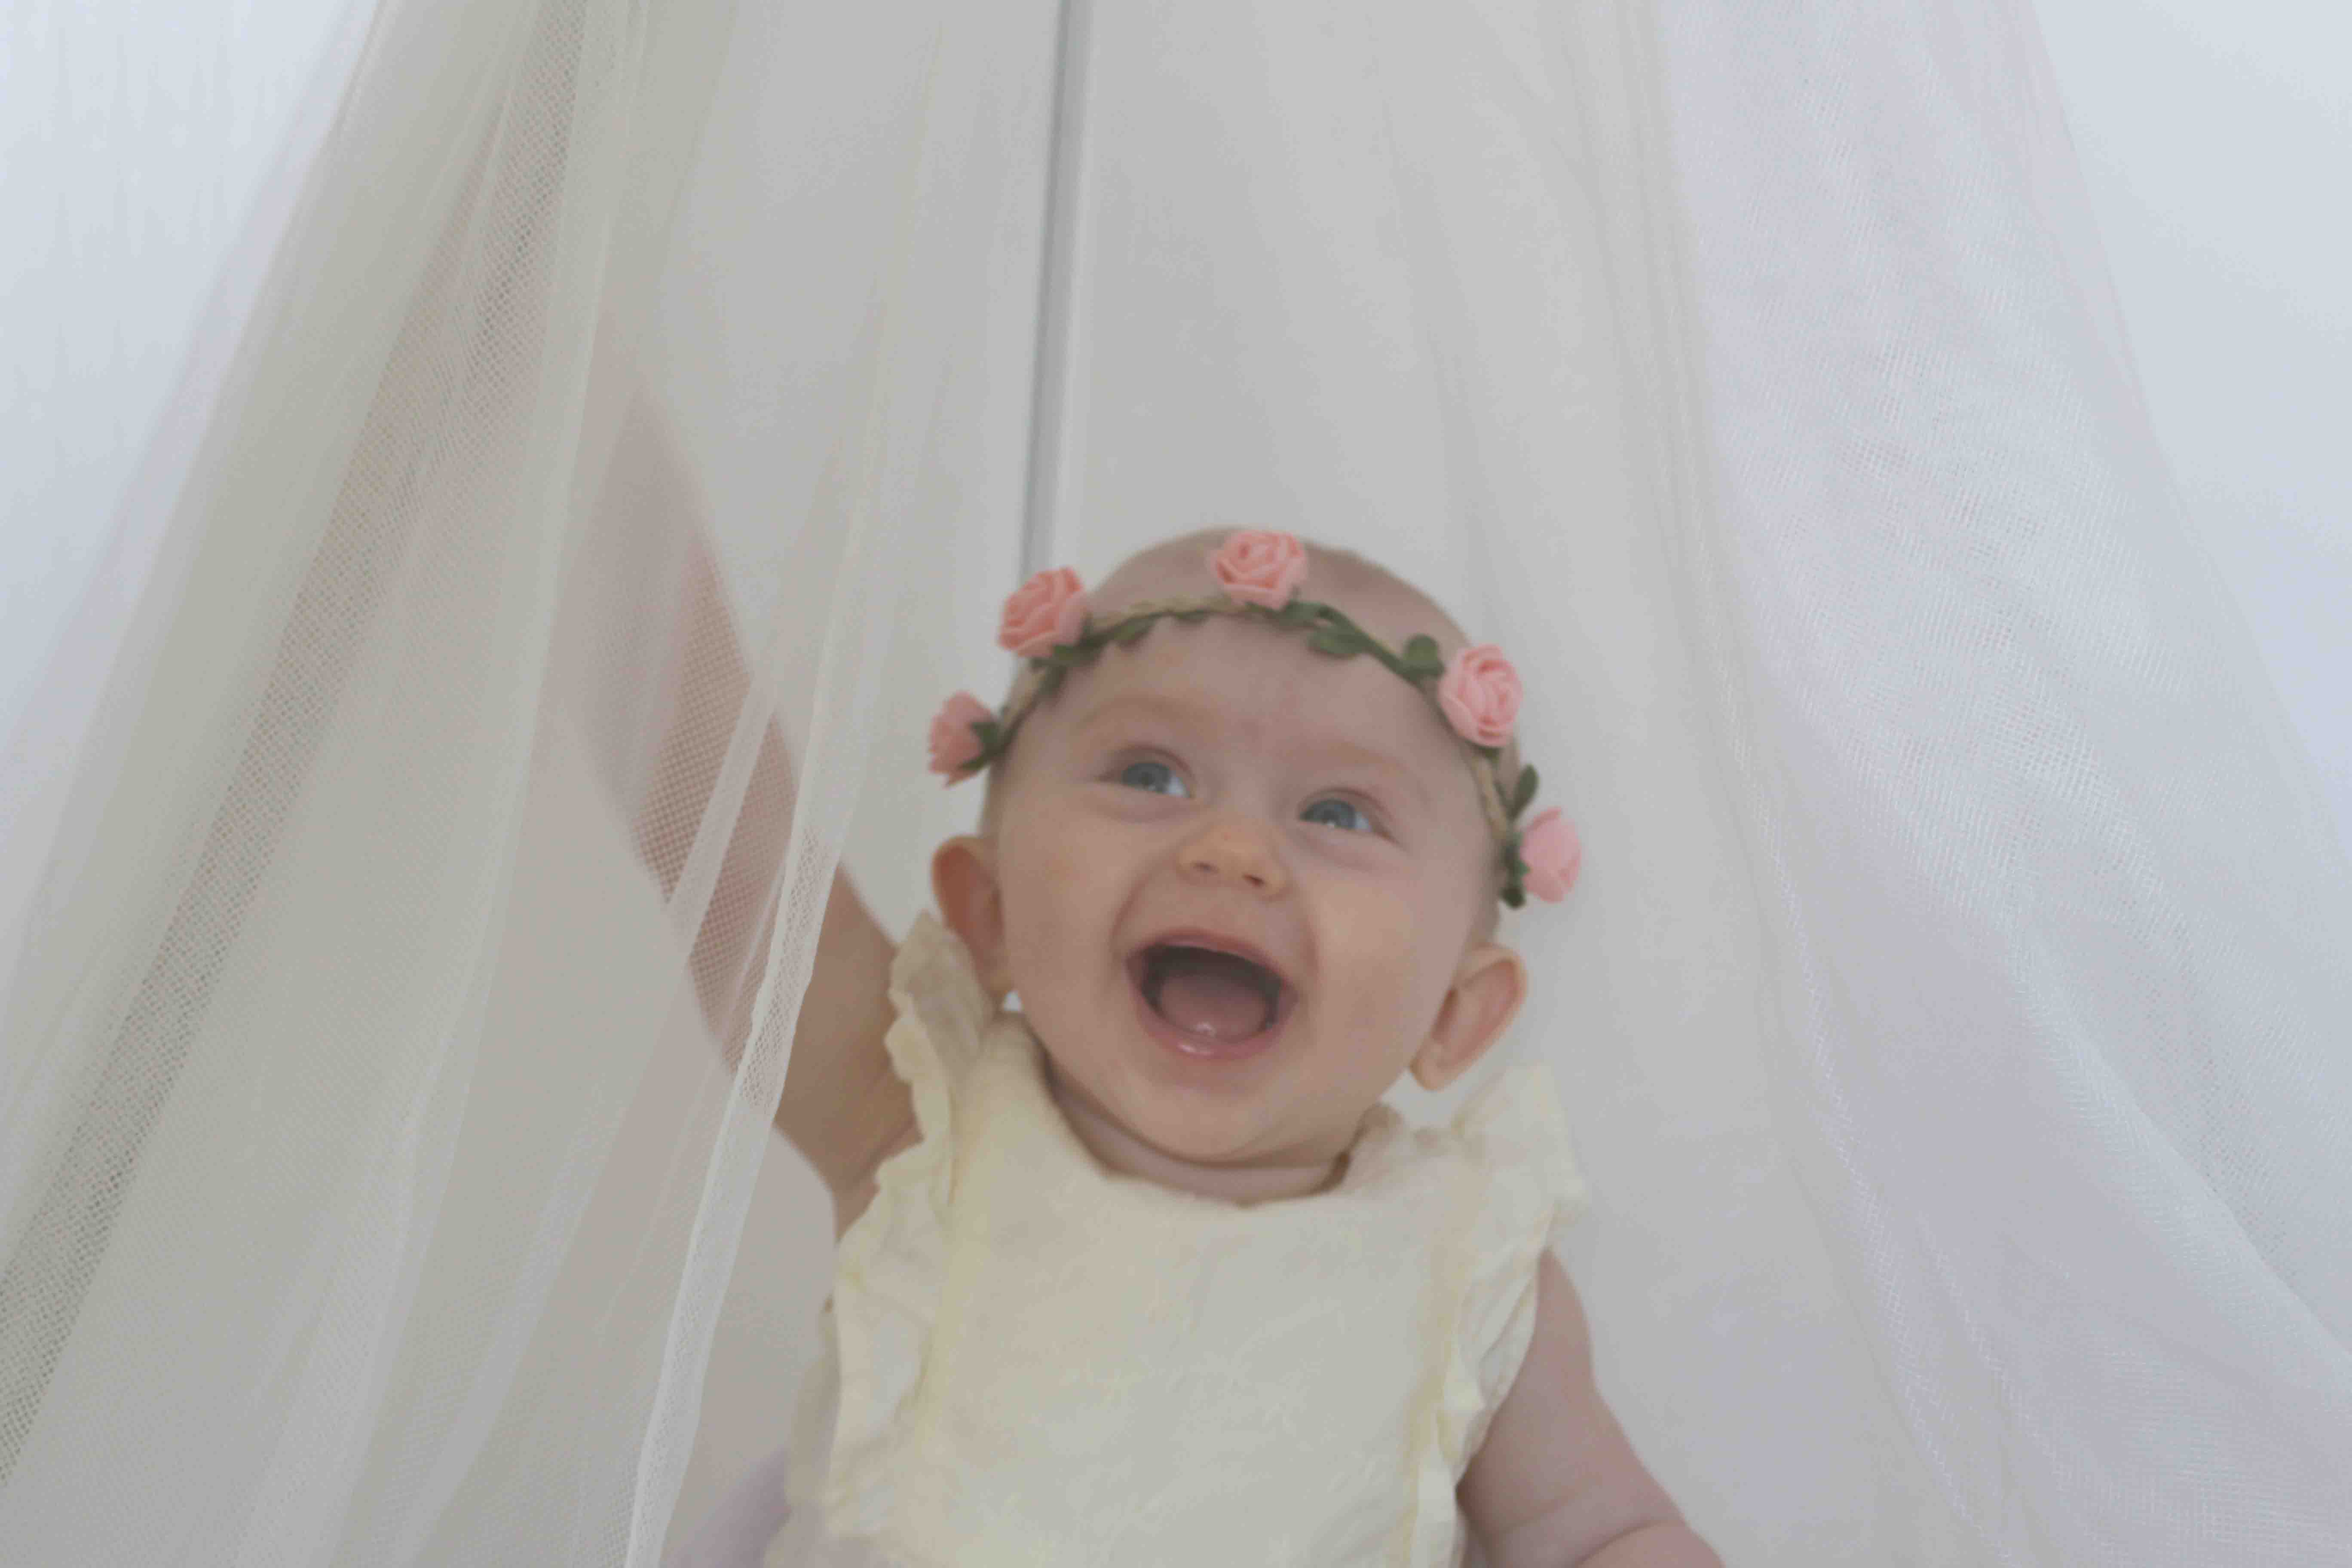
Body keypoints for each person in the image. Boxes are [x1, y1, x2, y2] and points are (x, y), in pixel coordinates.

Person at [669, 529, 1721, 1567]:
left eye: (1340, 812)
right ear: (988, 911)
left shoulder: (1469, 1262)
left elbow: (1598, 1533)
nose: (1232, 849)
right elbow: (732, 865)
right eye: (1152, 776)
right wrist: (614, 507)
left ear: (1457, 1012)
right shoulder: (917, 1122)